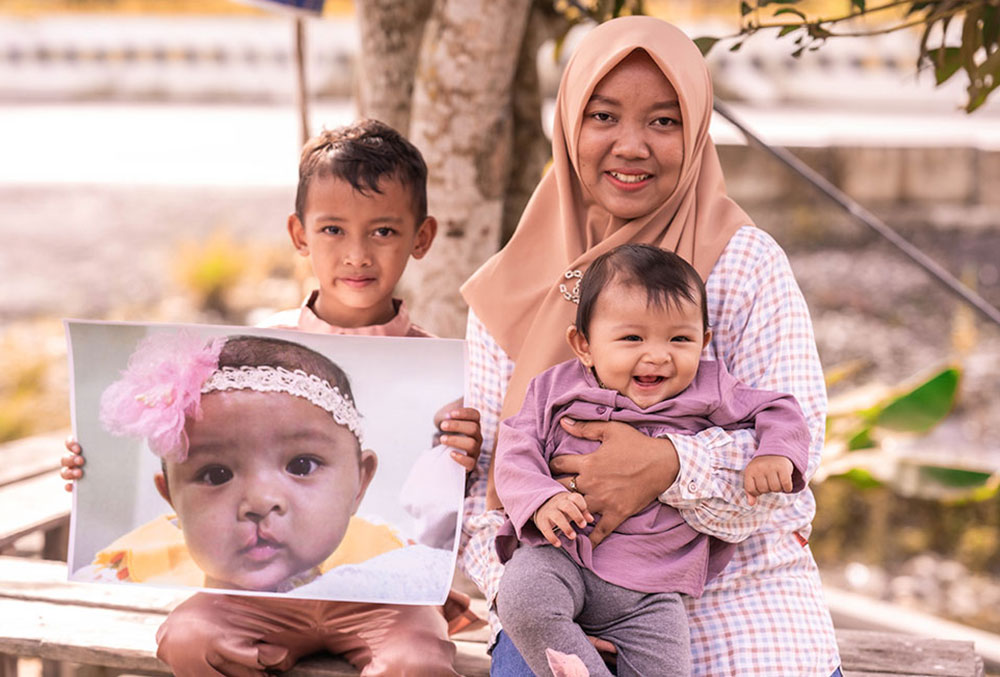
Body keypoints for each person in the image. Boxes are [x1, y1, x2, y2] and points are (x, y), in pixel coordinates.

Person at [457, 16, 842, 676]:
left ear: (695, 133)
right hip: (563, 590)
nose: (630, 145)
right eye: (603, 115)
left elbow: (789, 471)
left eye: (664, 122)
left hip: (737, 590)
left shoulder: (743, 264)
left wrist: (667, 465)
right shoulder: (512, 285)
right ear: (569, 123)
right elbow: (480, 499)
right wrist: (536, 608)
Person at [63, 119, 483, 676]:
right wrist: (82, 467)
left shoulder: (445, 372)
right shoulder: (247, 351)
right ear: (300, 234)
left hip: (383, 603)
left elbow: (463, 507)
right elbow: (181, 445)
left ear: (421, 238)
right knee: (188, 636)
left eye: (383, 232)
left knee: (416, 660)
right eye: (333, 230)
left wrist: (469, 458)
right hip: (252, 600)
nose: (357, 254)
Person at [493, 244, 810, 676]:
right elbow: (515, 449)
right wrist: (543, 497)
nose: (658, 356)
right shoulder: (554, 388)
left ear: (704, 342)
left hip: (652, 589)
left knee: (666, 667)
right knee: (523, 599)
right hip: (559, 554)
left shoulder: (709, 386)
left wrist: (775, 452)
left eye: (680, 339)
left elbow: (781, 409)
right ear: (583, 345)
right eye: (632, 338)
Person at [79, 331, 457, 599]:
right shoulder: (134, 577)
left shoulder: (388, 562)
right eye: (216, 475)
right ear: (171, 497)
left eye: (302, 465)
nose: (260, 502)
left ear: (360, 482)